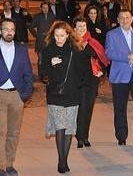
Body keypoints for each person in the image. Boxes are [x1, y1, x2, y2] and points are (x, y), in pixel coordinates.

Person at [0, 18, 34, 176]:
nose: (9, 32)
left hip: (16, 95)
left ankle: (9, 164)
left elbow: (28, 73)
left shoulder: (21, 49)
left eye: (12, 29)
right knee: (0, 131)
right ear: (0, 31)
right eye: (6, 29)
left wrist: (25, 94)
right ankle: (0, 167)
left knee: (13, 132)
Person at [42, 20, 90, 173]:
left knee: (69, 127)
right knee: (60, 127)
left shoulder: (76, 50)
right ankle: (61, 161)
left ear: (68, 35)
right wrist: (51, 65)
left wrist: (77, 85)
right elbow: (43, 74)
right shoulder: (48, 50)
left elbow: (83, 71)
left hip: (71, 93)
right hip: (55, 94)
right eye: (56, 36)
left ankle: (64, 159)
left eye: (62, 36)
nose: (59, 39)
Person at [105, 9, 133, 146]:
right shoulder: (111, 34)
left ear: (132, 19)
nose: (125, 20)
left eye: (127, 17)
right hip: (120, 76)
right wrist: (127, 57)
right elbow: (109, 52)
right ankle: (121, 136)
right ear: (118, 20)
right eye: (121, 18)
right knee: (120, 107)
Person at [73, 16, 109, 148]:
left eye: (83, 26)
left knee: (88, 109)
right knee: (81, 109)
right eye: (79, 27)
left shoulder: (92, 42)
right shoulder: (71, 43)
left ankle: (85, 136)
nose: (81, 29)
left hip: (91, 80)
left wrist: (101, 72)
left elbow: (101, 58)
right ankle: (79, 136)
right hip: (77, 81)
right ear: (74, 29)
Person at [30, 2, 56, 79]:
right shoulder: (37, 16)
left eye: (46, 8)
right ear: (41, 8)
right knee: (41, 60)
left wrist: (52, 34)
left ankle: (48, 74)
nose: (45, 9)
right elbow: (31, 27)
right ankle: (40, 75)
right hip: (40, 41)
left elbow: (55, 26)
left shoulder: (52, 16)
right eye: (43, 8)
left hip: (50, 41)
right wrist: (37, 35)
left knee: (49, 59)